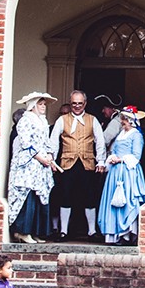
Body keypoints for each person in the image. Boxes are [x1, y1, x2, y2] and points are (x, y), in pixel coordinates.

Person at [46, 88, 107, 241]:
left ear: (85, 103)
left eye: (80, 103)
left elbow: (100, 141)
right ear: (70, 103)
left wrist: (101, 160)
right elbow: (53, 141)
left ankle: (92, 232)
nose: (77, 106)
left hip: (87, 163)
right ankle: (63, 231)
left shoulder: (92, 120)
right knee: (65, 196)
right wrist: (51, 159)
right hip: (67, 164)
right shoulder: (62, 120)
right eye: (74, 104)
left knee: (89, 197)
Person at [6, 91, 56, 244]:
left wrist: (49, 155)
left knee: (40, 197)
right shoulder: (25, 121)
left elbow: (47, 142)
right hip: (28, 164)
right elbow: (27, 143)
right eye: (40, 104)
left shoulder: (43, 121)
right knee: (27, 197)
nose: (43, 107)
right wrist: (40, 157)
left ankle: (35, 231)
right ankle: (22, 231)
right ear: (33, 105)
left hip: (41, 167)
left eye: (44, 104)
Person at [98, 105, 145, 245]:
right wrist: (112, 158)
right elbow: (114, 149)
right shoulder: (121, 134)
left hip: (127, 172)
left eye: (124, 119)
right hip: (115, 172)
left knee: (126, 200)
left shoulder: (136, 135)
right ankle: (114, 234)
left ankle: (126, 233)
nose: (122, 122)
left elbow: (136, 156)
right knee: (113, 201)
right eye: (122, 119)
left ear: (131, 120)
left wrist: (120, 159)